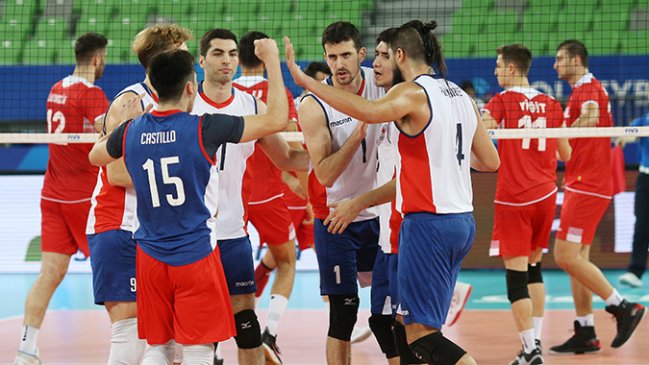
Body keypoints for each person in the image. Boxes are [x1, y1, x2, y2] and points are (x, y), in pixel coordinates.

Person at [286, 19, 501, 365]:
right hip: (462, 221)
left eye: (386, 55)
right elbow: (490, 161)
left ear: (401, 55)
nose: (379, 63)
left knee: (420, 335)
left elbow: (368, 112)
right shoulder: (460, 95)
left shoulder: (410, 93)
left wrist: (306, 82)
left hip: (426, 224)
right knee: (396, 325)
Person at [89, 39, 290, 364]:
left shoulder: (131, 130)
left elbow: (95, 156)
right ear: (189, 88)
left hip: (150, 257)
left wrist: (116, 128)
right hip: (194, 255)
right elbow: (277, 119)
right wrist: (272, 61)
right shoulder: (203, 128)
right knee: (198, 347)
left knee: (159, 348)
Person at [192, 28, 309, 365]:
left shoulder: (250, 104)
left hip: (233, 234)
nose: (226, 59)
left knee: (245, 324)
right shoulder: (187, 104)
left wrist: (334, 154)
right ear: (201, 61)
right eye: (217, 53)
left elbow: (287, 158)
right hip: (195, 236)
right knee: (198, 328)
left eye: (231, 53)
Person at [86, 23, 192, 365]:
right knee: (129, 328)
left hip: (156, 231)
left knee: (167, 335)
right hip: (119, 224)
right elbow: (115, 173)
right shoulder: (131, 101)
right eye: (183, 50)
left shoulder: (177, 103)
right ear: (168, 54)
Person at [289, 21, 386, 365]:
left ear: (361, 54)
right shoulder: (313, 103)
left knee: (389, 319)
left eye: (346, 55)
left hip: (382, 215)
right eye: (332, 57)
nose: (340, 64)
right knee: (343, 317)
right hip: (336, 219)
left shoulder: (383, 84)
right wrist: (357, 136)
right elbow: (326, 174)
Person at [13, 33, 109, 365]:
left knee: (49, 275)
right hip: (83, 198)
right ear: (97, 59)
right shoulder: (93, 93)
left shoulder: (55, 88)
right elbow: (107, 135)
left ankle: (26, 349)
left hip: (52, 195)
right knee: (113, 273)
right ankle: (132, 346)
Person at [550, 39, 645, 354]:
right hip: (582, 181)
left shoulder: (588, 90)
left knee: (564, 255)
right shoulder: (581, 90)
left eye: (560, 59)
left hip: (589, 184)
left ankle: (622, 307)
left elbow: (590, 117)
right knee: (578, 260)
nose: (555, 66)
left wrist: (564, 134)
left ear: (576, 60)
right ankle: (586, 330)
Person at [481, 44, 572, 365]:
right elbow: (566, 154)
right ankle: (533, 347)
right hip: (547, 196)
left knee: (516, 276)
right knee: (534, 269)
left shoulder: (503, 100)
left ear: (512, 69)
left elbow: (483, 131)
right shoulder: (551, 103)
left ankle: (531, 350)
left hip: (515, 197)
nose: (495, 72)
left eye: (498, 66)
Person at [616, 111, 649, 288]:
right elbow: (628, 134)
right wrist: (623, 139)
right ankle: (635, 272)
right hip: (645, 179)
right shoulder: (643, 120)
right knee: (641, 225)